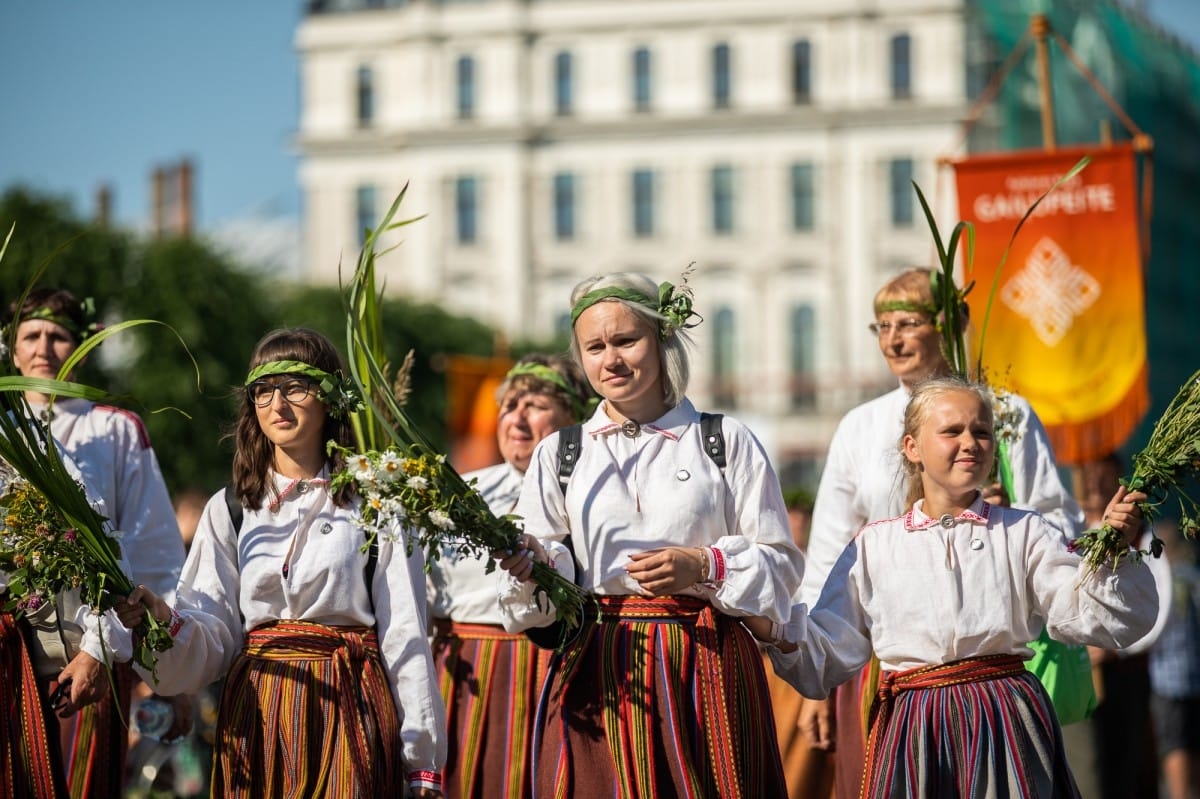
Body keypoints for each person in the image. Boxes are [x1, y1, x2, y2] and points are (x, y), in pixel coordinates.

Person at [751, 376, 1158, 798]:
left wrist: (1110, 555)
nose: (970, 442)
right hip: (916, 727)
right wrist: (772, 625)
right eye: (952, 431)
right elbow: (830, 648)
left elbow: (1085, 614)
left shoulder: (1024, 531)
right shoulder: (874, 544)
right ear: (912, 448)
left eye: (981, 432)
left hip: (1005, 719)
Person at [495, 272, 804, 798]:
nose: (610, 360)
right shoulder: (562, 453)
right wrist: (534, 564)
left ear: (662, 341)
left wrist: (704, 565)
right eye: (594, 347)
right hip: (603, 667)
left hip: (705, 664)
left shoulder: (723, 440)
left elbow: (782, 566)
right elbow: (543, 572)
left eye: (625, 340)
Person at [116, 327, 446, 798]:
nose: (278, 403)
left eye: (296, 387)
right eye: (264, 390)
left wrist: (422, 760)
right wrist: (164, 621)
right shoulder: (231, 508)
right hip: (259, 711)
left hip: (349, 705)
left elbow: (406, 634)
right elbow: (214, 631)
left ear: (330, 397)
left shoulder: (376, 504)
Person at [798, 267, 1085, 799]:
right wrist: (818, 684)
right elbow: (829, 552)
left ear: (948, 325)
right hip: (886, 666)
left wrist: (1006, 516)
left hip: (988, 660)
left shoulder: (1005, 413)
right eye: (881, 327)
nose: (893, 340)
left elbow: (1059, 522)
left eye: (907, 322)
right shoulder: (860, 426)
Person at [4, 288, 188, 798]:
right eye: (31, 334)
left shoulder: (114, 428)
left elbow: (154, 553)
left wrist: (170, 674)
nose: (44, 346)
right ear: (10, 348)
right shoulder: (2, 427)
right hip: (8, 644)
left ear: (80, 346)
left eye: (59, 335)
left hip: (97, 647)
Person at [428, 353, 594, 799]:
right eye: (510, 405)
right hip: (461, 673)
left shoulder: (588, 494)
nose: (517, 417)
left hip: (544, 670)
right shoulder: (462, 492)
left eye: (535, 404)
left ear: (573, 418)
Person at [1076, 453, 1170, 799]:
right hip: (1080, 673)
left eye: (1105, 477)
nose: (1096, 485)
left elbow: (1159, 607)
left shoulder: (1140, 536)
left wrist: (1114, 649)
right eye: (1090, 476)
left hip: (1125, 673)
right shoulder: (1068, 531)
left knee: (1128, 762)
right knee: (1090, 767)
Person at [1150, 520, 1200, 799]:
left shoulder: (1161, 584)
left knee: (1177, 746)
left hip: (1168, 681)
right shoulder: (1191, 578)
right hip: (1185, 680)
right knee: (1186, 746)